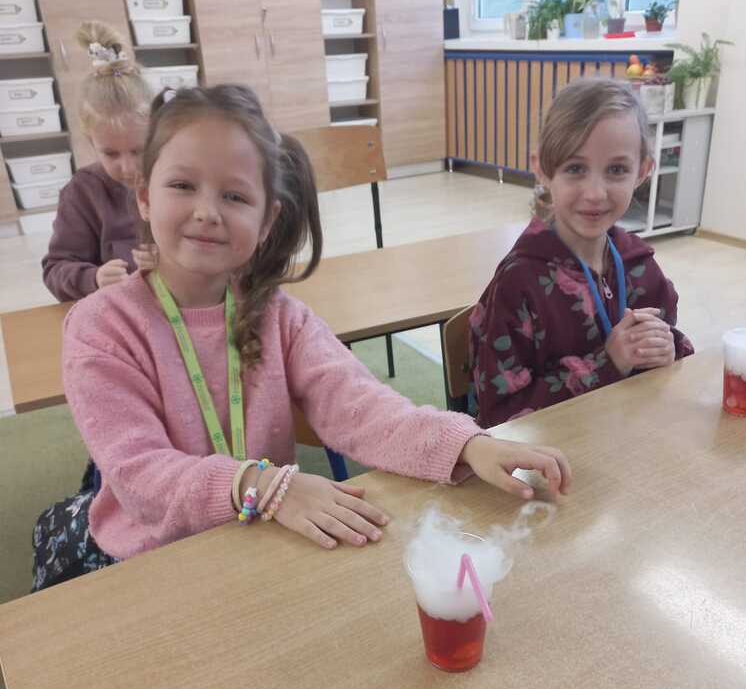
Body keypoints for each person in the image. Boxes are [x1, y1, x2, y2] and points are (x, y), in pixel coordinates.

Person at [49, 83, 570, 577]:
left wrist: (467, 444)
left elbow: (361, 407)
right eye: (183, 186)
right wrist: (264, 486)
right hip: (154, 564)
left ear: (267, 220)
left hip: (267, 539)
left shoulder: (280, 316)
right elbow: (140, 476)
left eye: (235, 196)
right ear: (144, 196)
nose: (206, 212)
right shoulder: (100, 327)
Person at [469, 77, 694, 429]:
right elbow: (499, 417)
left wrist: (671, 349)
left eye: (616, 170)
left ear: (643, 171)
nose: (595, 193)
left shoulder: (640, 267)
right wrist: (607, 364)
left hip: (633, 444)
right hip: (551, 457)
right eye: (575, 168)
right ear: (543, 169)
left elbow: (669, 363)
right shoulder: (519, 284)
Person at [41, 20, 157, 302]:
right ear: (91, 142)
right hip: (115, 313)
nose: (127, 168)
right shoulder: (82, 193)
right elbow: (55, 269)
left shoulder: (180, 181)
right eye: (111, 153)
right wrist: (93, 278)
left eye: (138, 151)